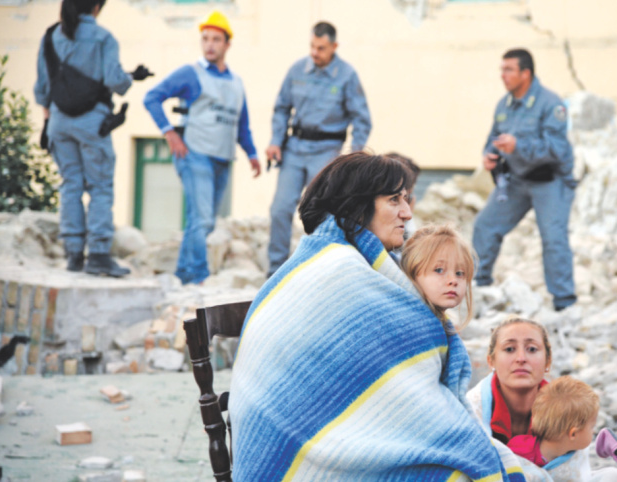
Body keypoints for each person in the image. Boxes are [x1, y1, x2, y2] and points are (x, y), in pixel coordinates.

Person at [229, 153, 526, 481]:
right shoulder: (341, 271)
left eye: (406, 199)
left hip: (296, 438)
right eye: (394, 200)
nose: (407, 212)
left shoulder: (328, 257)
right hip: (303, 447)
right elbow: (397, 385)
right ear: (358, 204)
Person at [143, 10, 261, 285]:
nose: (209, 44)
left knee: (201, 220)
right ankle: (198, 276)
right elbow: (152, 98)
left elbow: (240, 123)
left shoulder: (236, 83)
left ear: (227, 44)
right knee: (203, 219)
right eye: (205, 38)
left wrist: (252, 153)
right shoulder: (190, 74)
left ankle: (183, 274)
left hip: (222, 158)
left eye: (216, 39)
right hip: (194, 154)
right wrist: (169, 133)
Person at [34, 0, 147, 276]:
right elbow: (115, 82)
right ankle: (97, 254)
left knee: (70, 183)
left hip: (58, 123)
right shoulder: (103, 38)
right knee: (99, 186)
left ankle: (73, 255)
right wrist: (131, 78)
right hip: (92, 123)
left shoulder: (51, 36)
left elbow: (42, 90)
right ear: (96, 6)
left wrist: (47, 124)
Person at [265, 21, 372, 277]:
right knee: (279, 209)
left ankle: (319, 270)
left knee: (322, 213)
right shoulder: (297, 70)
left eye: (321, 48)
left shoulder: (347, 76)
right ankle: (275, 272)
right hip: (294, 148)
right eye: (313, 46)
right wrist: (275, 141)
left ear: (334, 47)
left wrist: (352, 156)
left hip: (327, 150)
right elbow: (281, 108)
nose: (315, 53)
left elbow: (362, 119)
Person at [473, 48, 576, 311]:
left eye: (509, 69)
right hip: (517, 181)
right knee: (485, 226)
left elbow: (557, 149)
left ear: (525, 73)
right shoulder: (504, 105)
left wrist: (518, 146)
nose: (503, 75)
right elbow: (493, 140)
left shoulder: (551, 104)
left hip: (550, 181)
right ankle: (477, 286)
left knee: (553, 238)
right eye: (502, 69)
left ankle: (565, 303)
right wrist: (490, 156)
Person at [466, 318, 617, 482]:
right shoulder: (471, 409)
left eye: (532, 349)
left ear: (548, 361)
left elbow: (574, 472)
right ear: (491, 361)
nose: (521, 358)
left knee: (614, 477)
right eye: (509, 349)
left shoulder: (567, 405)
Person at [508, 376, 599, 480]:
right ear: (573, 434)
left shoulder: (575, 452)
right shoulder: (519, 452)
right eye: (592, 427)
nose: (594, 431)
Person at [400, 224, 475, 330]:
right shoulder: (409, 327)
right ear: (411, 273)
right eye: (439, 270)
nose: (453, 281)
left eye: (459, 273)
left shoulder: (444, 326)